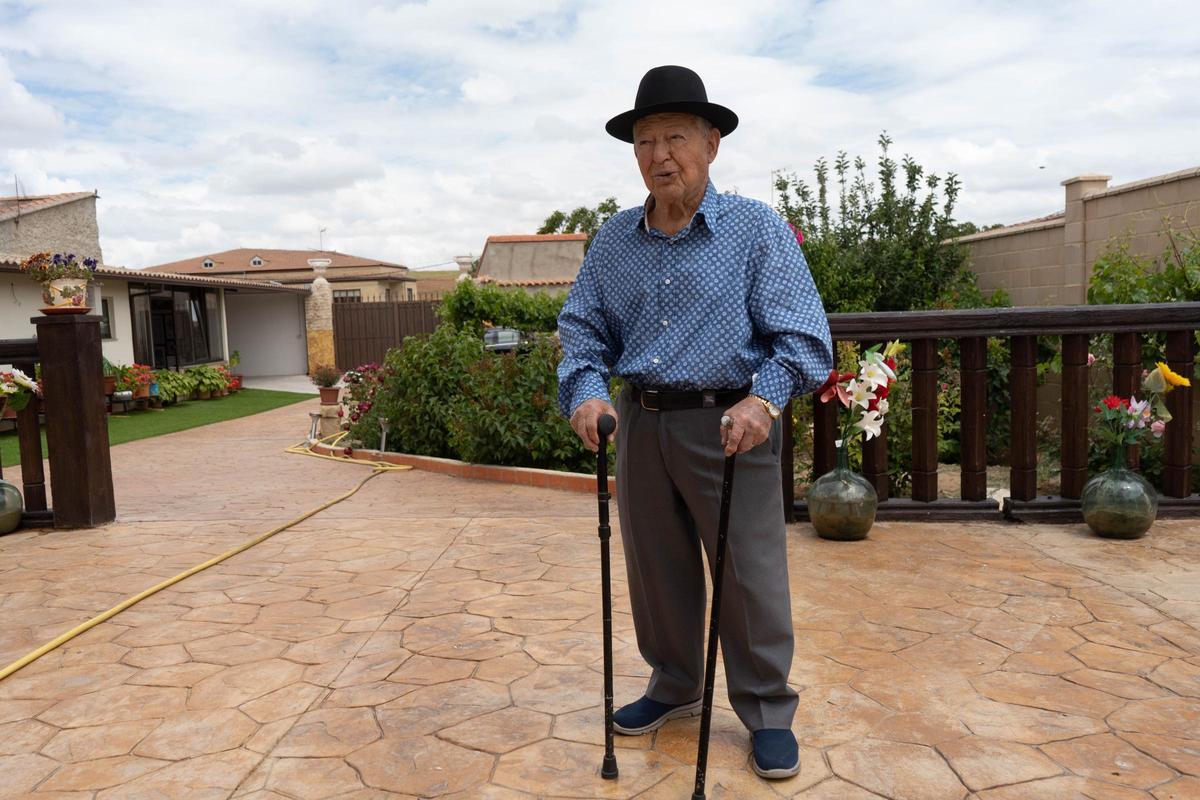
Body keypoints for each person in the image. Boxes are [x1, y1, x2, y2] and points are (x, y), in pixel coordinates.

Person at [556, 65, 833, 780]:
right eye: (645, 141)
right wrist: (586, 393)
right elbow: (583, 335)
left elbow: (805, 341)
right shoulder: (613, 241)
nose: (660, 155)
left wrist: (762, 399)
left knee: (750, 577)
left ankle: (767, 709)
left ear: (711, 144)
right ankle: (674, 683)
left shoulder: (755, 231)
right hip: (642, 427)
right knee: (657, 570)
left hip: (729, 425)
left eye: (675, 137)